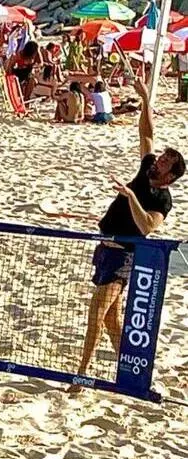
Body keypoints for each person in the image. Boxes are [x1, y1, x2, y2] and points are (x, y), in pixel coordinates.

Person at [74, 79, 185, 388]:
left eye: (165, 162)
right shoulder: (147, 167)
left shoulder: (162, 199)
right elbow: (147, 133)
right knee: (111, 320)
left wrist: (131, 196)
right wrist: (146, 99)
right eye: (162, 157)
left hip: (123, 258)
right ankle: (133, 373)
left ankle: (81, 375)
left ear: (169, 177)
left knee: (96, 315)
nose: (158, 160)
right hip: (105, 249)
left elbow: (148, 226)